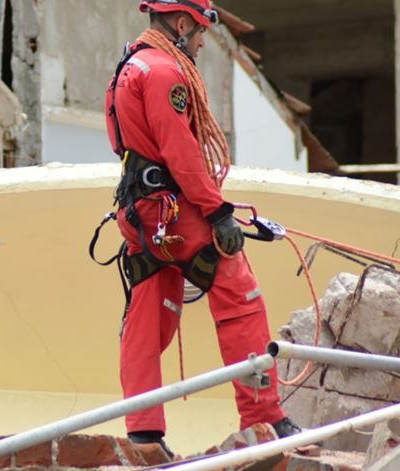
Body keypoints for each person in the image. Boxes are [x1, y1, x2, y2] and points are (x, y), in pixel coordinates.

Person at [104, 0, 300, 457]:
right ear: (182, 21)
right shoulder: (166, 73)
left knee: (147, 313)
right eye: (199, 35)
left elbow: (127, 145)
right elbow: (181, 152)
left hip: (139, 212)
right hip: (175, 210)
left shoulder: (127, 67)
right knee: (240, 293)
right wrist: (218, 212)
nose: (199, 45)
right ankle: (264, 418)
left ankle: (144, 434)